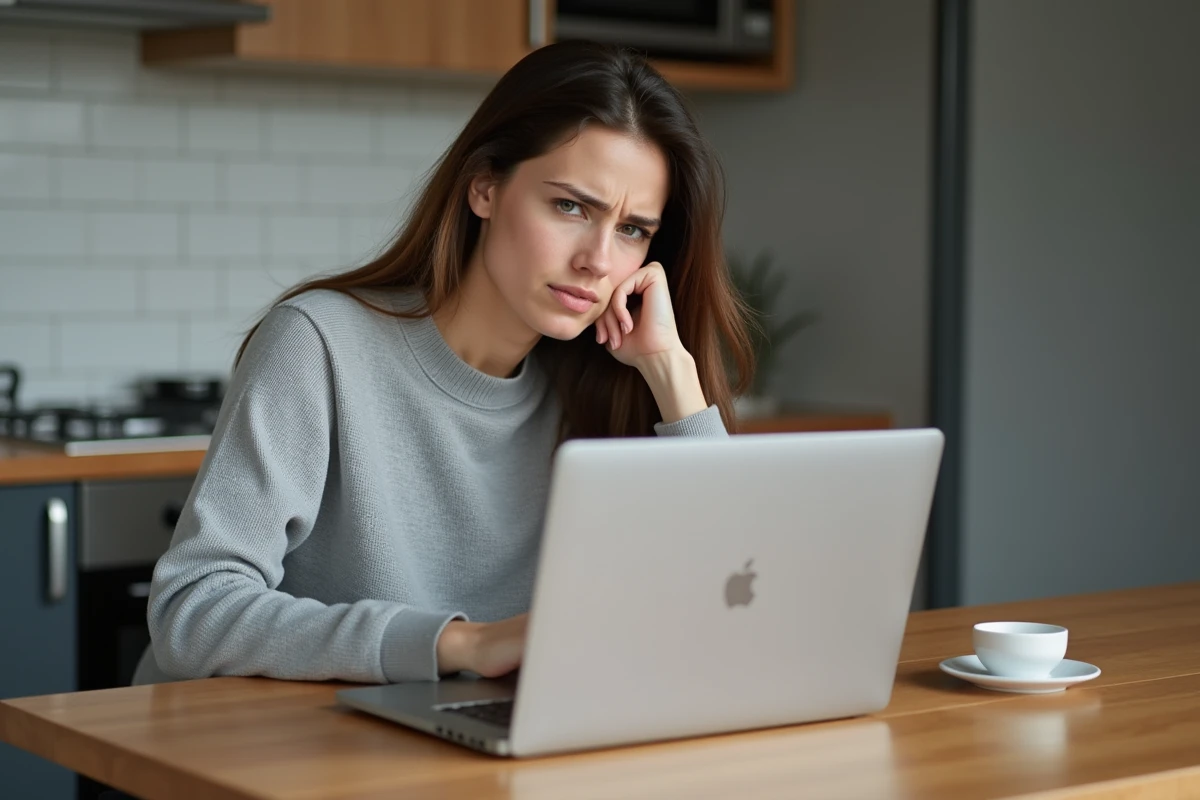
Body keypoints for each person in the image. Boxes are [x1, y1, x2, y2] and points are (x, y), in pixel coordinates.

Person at [131, 40, 754, 688]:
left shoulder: (602, 386)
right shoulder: (319, 343)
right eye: (571, 206)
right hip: (258, 753)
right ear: (484, 188)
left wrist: (672, 373)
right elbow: (191, 612)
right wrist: (464, 644)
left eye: (633, 230)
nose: (599, 259)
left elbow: (733, 600)